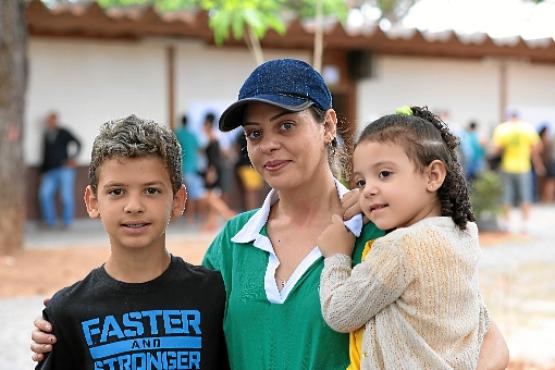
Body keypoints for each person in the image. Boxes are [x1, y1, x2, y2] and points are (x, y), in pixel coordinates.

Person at [31, 59, 509, 369]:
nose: (269, 145)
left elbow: (484, 339)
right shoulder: (234, 241)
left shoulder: (382, 229)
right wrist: (65, 325)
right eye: (255, 134)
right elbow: (173, 313)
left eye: (286, 124)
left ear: (326, 125)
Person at [35, 115, 229, 369]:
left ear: (178, 200)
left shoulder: (214, 296)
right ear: (93, 202)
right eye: (117, 191)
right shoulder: (67, 312)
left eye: (151, 190)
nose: (134, 206)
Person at [318, 106, 488, 369]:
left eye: (384, 174)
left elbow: (340, 313)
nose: (368, 191)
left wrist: (336, 255)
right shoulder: (463, 233)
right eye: (361, 182)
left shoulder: (400, 248)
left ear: (433, 176)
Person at [492, 110, 545, 233]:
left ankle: (506, 224)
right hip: (523, 167)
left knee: (506, 196)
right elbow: (538, 146)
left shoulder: (502, 128)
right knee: (525, 196)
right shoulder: (527, 128)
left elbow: (496, 149)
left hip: (507, 166)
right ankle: (525, 224)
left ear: (509, 117)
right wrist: (530, 154)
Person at [38, 111, 82, 228]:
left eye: (52, 120)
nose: (50, 122)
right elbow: (44, 154)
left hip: (64, 170)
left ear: (56, 120)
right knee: (44, 194)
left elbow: (78, 142)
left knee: (66, 196)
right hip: (49, 171)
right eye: (48, 120)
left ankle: (67, 222)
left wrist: (73, 159)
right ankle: (49, 221)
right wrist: (42, 172)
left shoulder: (63, 132)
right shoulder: (46, 134)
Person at [201, 112, 236, 230]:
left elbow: (214, 158)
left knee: (210, 197)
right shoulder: (213, 138)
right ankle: (211, 223)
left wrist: (211, 171)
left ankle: (229, 215)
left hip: (214, 170)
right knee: (212, 196)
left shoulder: (214, 139)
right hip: (214, 170)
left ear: (207, 124)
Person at [175, 114, 205, 224]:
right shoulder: (193, 135)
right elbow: (199, 150)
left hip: (182, 168)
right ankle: (196, 217)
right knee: (193, 193)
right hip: (194, 167)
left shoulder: (178, 133)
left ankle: (188, 218)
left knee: (182, 193)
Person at [538, 125, 555, 202]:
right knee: (550, 181)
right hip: (550, 162)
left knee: (549, 182)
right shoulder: (544, 141)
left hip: (549, 162)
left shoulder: (547, 140)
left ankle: (548, 198)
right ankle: (548, 198)